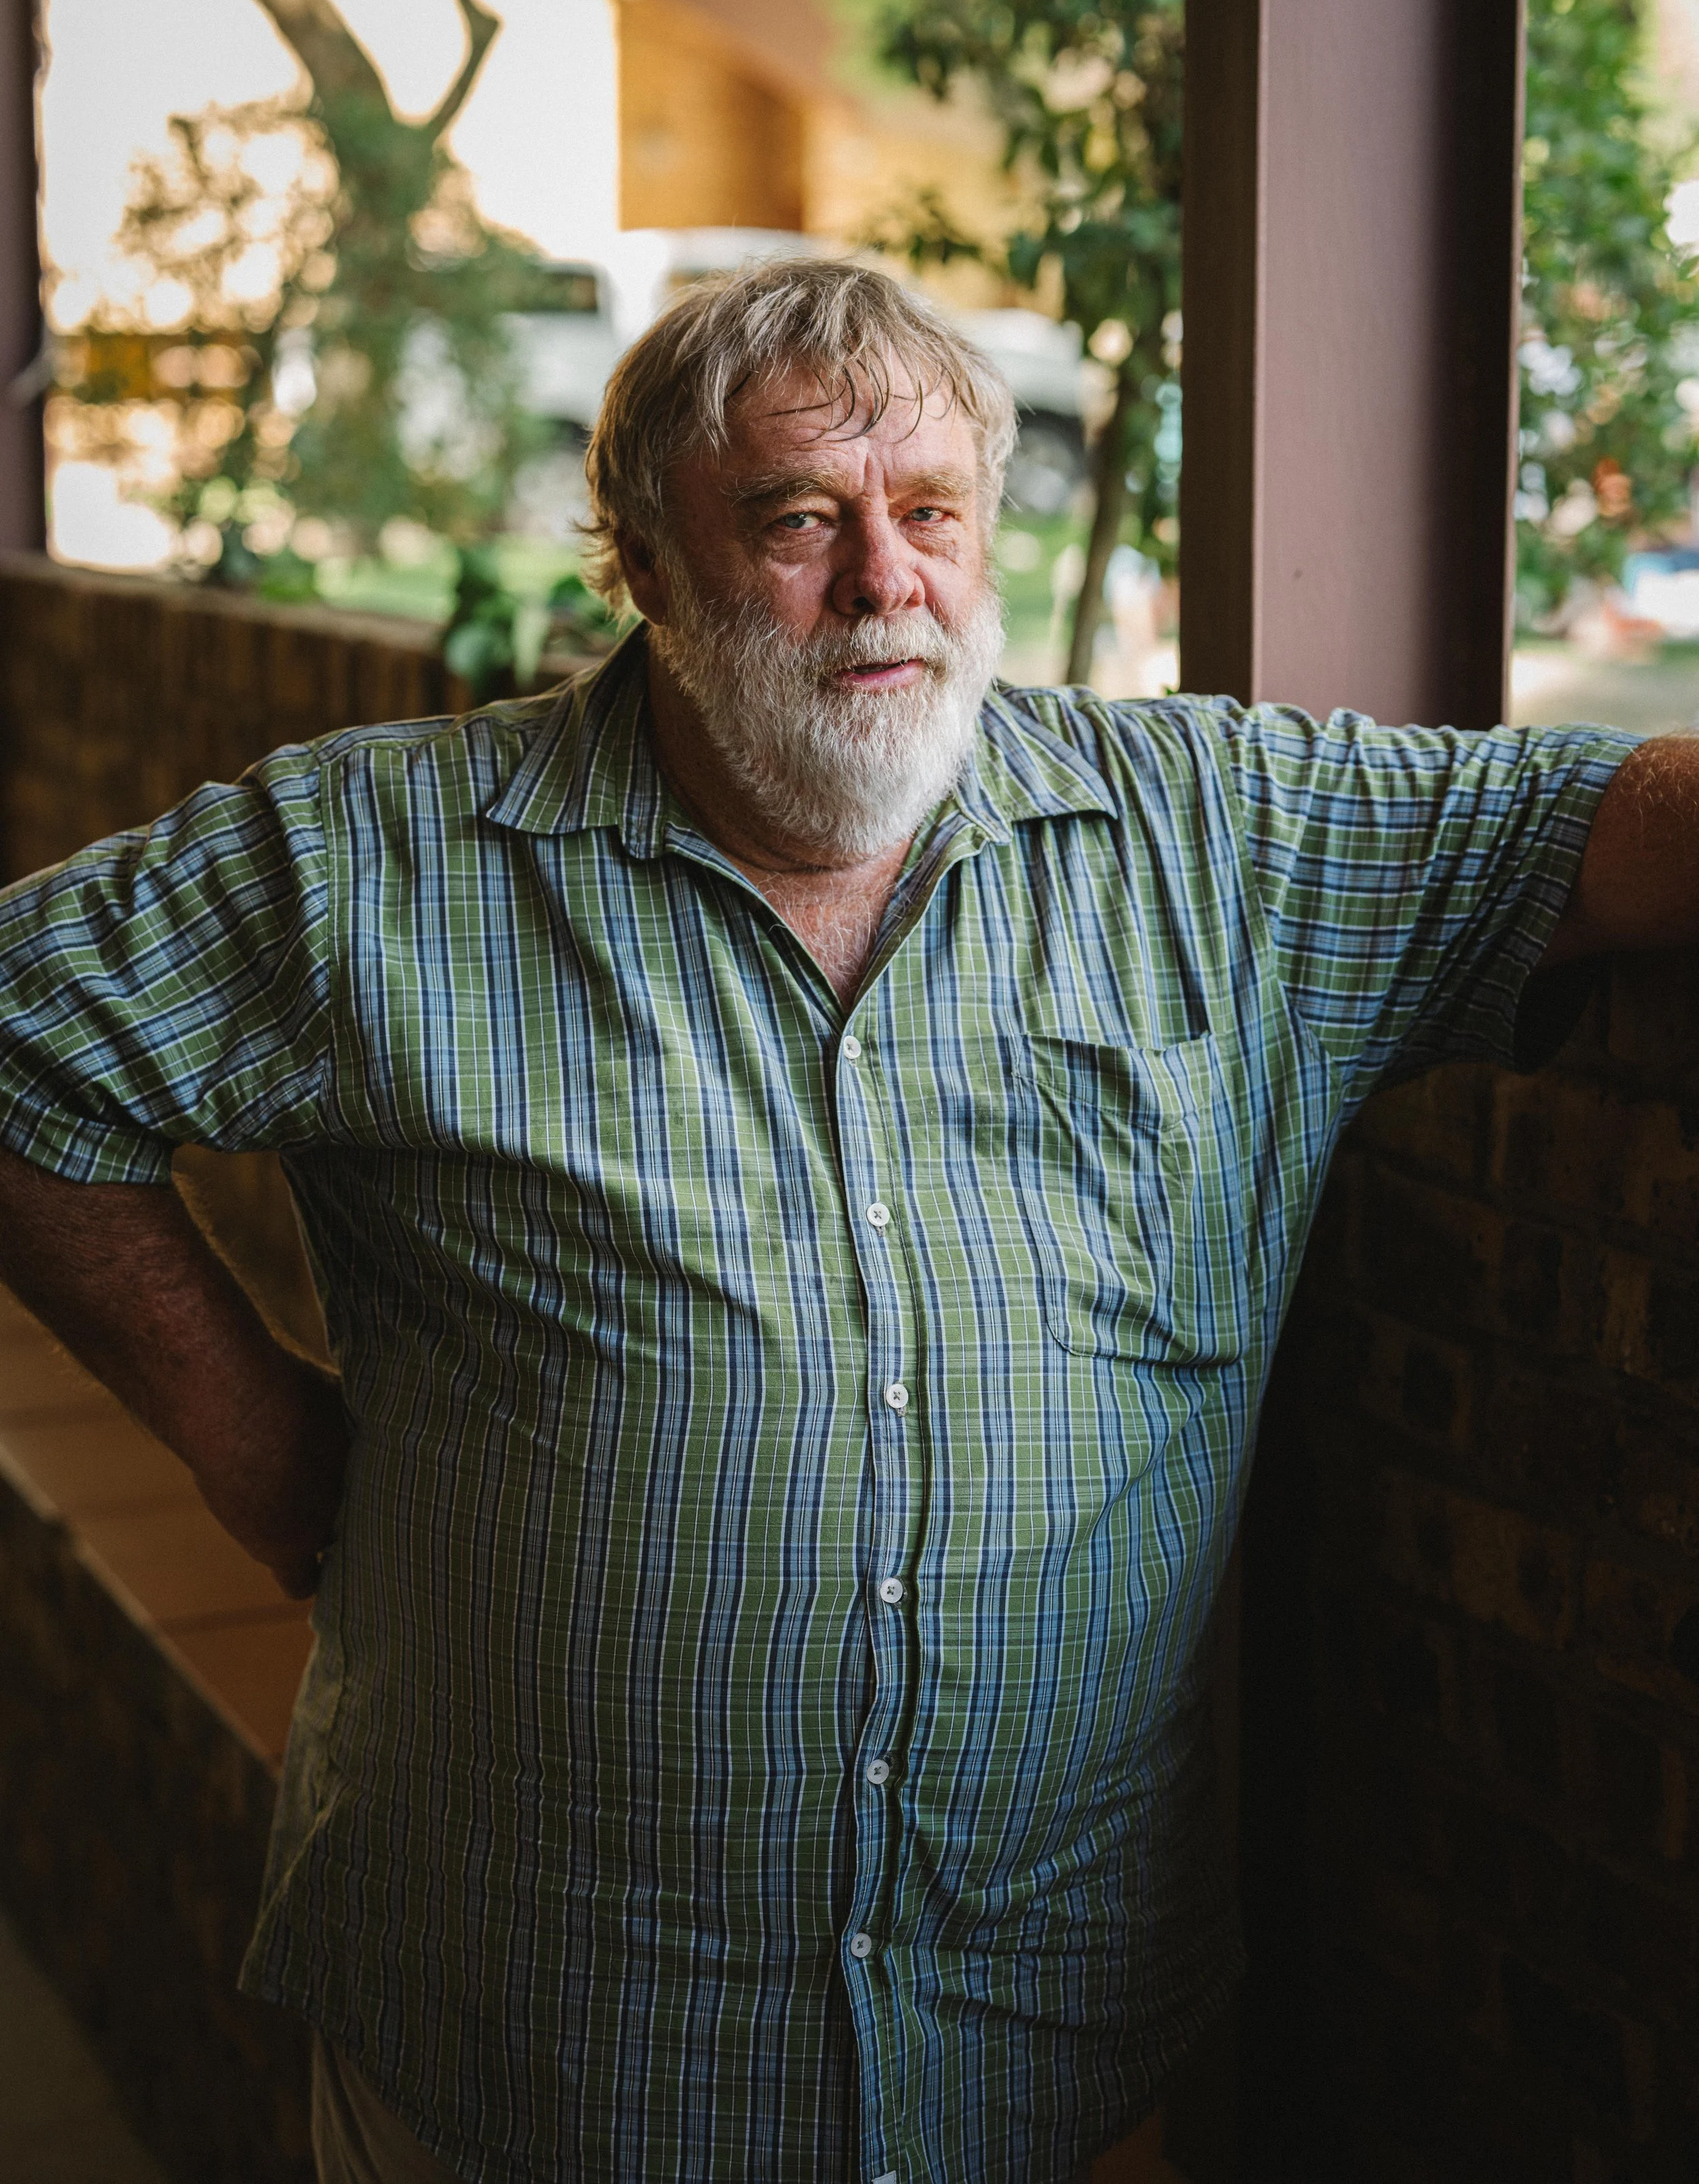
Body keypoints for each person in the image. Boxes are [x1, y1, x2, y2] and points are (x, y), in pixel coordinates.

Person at [0, 259, 1689, 2184]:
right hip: (532, 2053)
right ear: (640, 559)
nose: (887, 577)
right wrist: (254, 1439)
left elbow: (1618, 825)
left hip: (1031, 2061)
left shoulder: (1225, 836)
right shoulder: (382, 860)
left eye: (935, 511)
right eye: (800, 518)